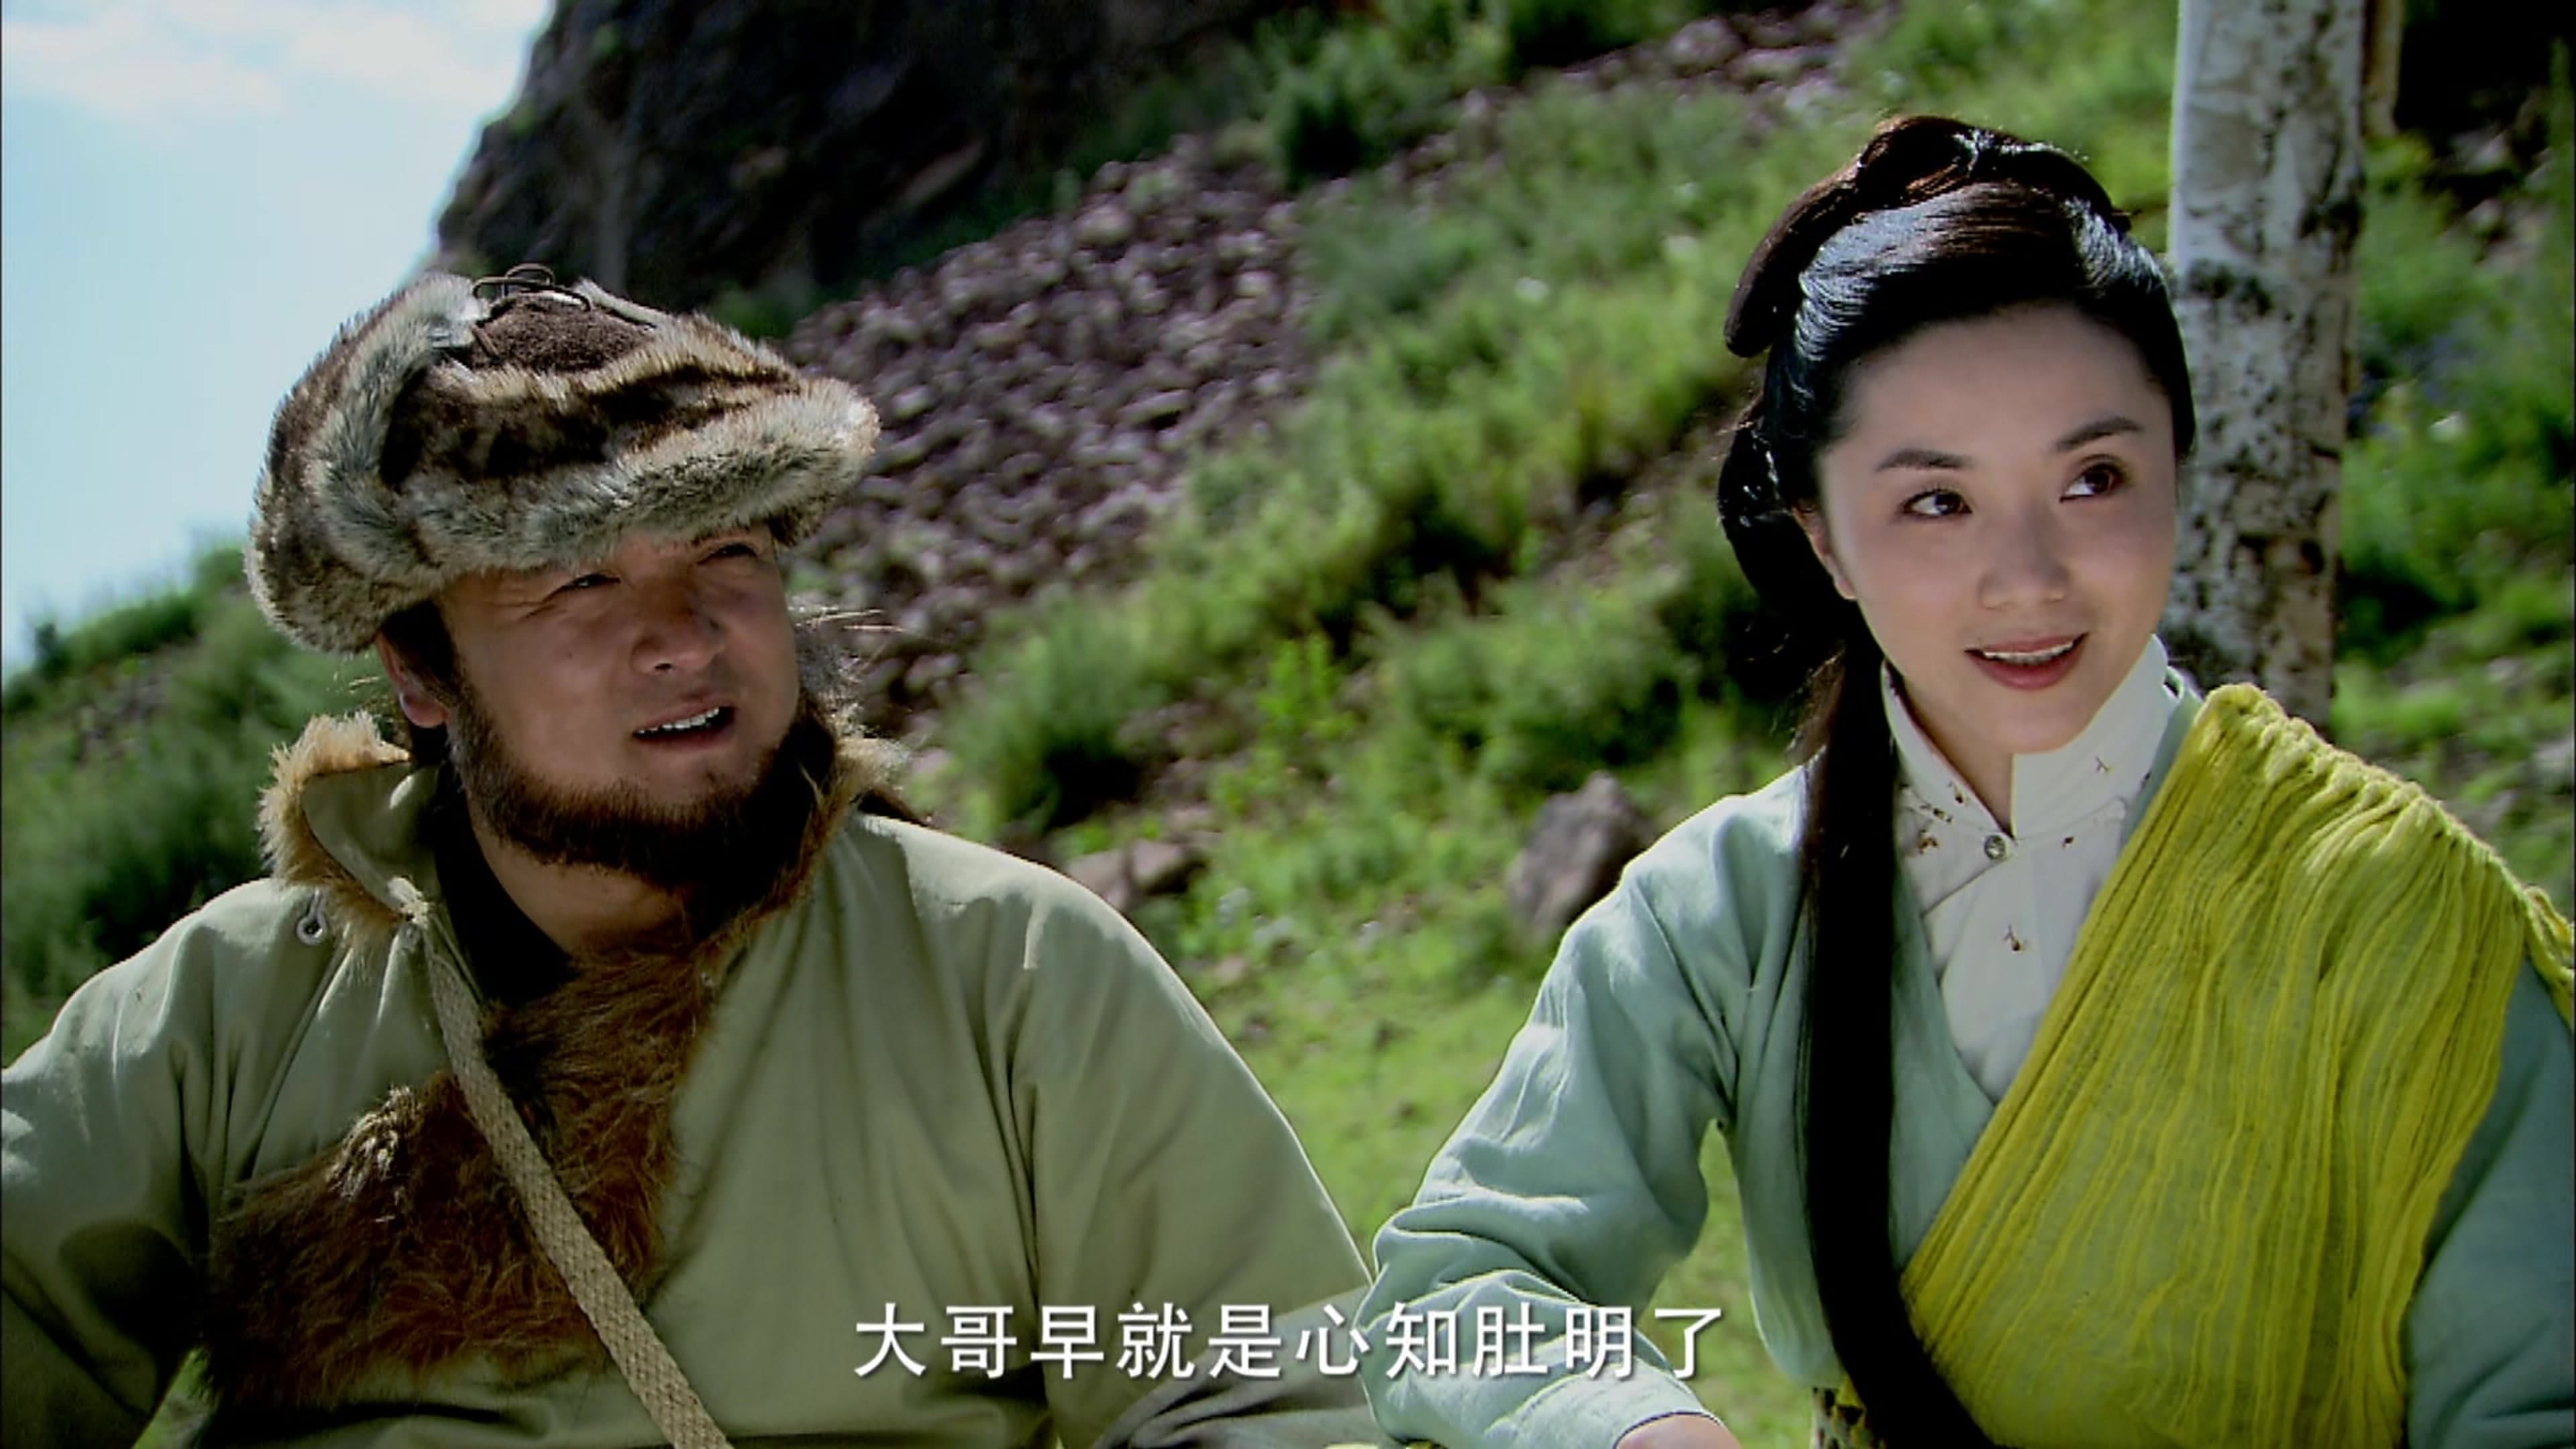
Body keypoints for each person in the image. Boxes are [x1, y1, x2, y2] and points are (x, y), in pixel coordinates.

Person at [1356, 117, 2575, 1448]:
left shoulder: (2405, 914)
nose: (2029, 578)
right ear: (1823, 536)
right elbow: (1451, 1292)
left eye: (2094, 478)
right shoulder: (1723, 912)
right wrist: (1638, 1431)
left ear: (2180, 470)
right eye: (1937, 502)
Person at [1, 266, 1374, 1446]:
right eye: (581, 578)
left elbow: (1274, 1394)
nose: (683, 634)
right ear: (419, 670)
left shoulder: (1010, 975)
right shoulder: (228, 1017)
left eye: (727, 551)